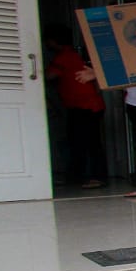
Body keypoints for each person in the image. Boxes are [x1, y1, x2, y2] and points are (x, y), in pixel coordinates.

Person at [45, 28, 107, 189]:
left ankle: (96, 176)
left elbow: (49, 75)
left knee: (87, 142)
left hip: (85, 105)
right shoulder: (73, 55)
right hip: (84, 105)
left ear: (54, 41)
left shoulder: (64, 56)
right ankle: (77, 176)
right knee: (80, 142)